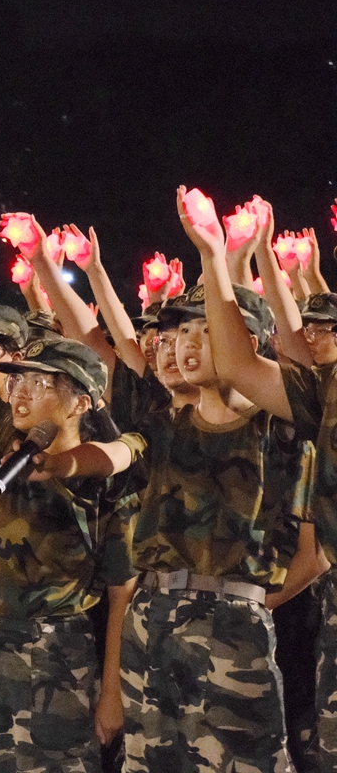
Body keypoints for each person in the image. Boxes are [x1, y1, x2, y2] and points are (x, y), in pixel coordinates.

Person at [0, 217, 143, 772]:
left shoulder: (105, 472)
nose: (18, 391)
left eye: (39, 382)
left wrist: (111, 690)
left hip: (55, 652)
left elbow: (122, 590)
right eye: (17, 379)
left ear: (81, 401)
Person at [165, 189, 331, 772]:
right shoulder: (325, 398)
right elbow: (250, 360)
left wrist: (250, 600)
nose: (183, 348)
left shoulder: (288, 429)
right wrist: (222, 256)